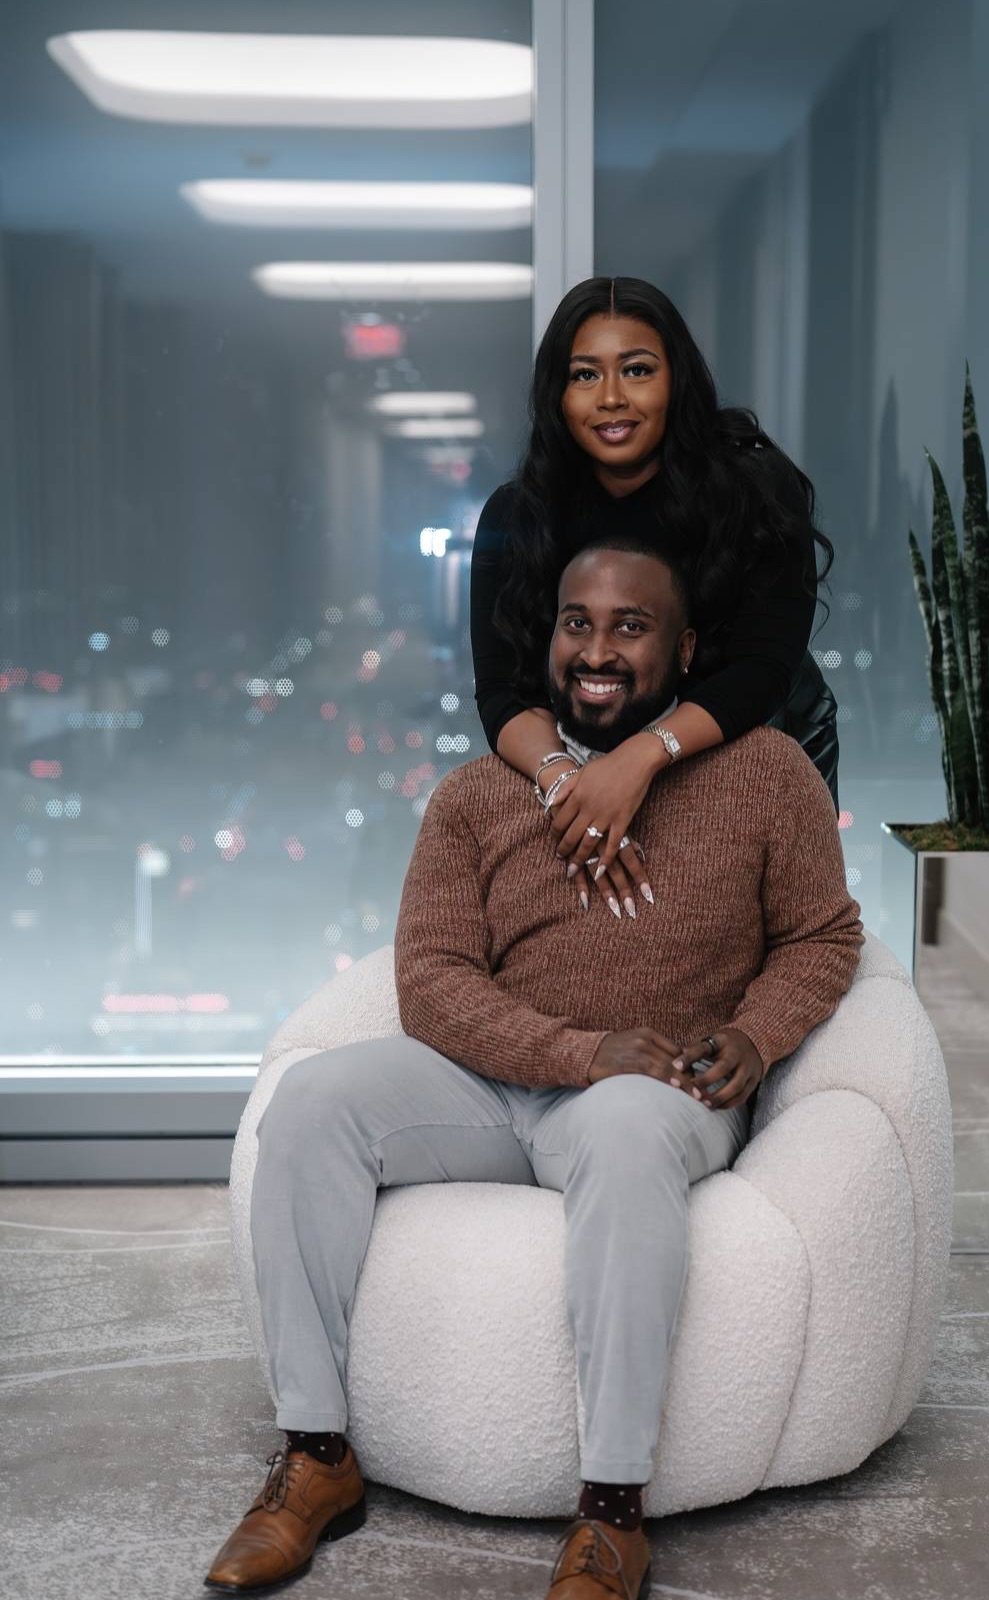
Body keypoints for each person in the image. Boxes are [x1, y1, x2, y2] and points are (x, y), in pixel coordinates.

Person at [205, 542, 863, 1598]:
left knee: (621, 1122)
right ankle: (316, 1455)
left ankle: (611, 1509)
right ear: (550, 640)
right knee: (312, 1101)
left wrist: (759, 1033)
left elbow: (824, 938)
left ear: (686, 649)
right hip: (497, 1085)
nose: (596, 650)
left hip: (659, 1091)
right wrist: (572, 1050)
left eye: (630, 627)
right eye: (576, 624)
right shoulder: (477, 795)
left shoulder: (764, 773)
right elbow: (430, 982)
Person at [471, 275, 839, 925]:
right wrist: (566, 782)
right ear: (557, 394)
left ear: (677, 381)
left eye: (637, 370)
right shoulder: (518, 514)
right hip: (579, 752)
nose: (611, 398)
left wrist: (641, 758)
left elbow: (763, 670)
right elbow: (504, 693)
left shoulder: (754, 492)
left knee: (751, 936)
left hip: (751, 736)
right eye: (585, 375)